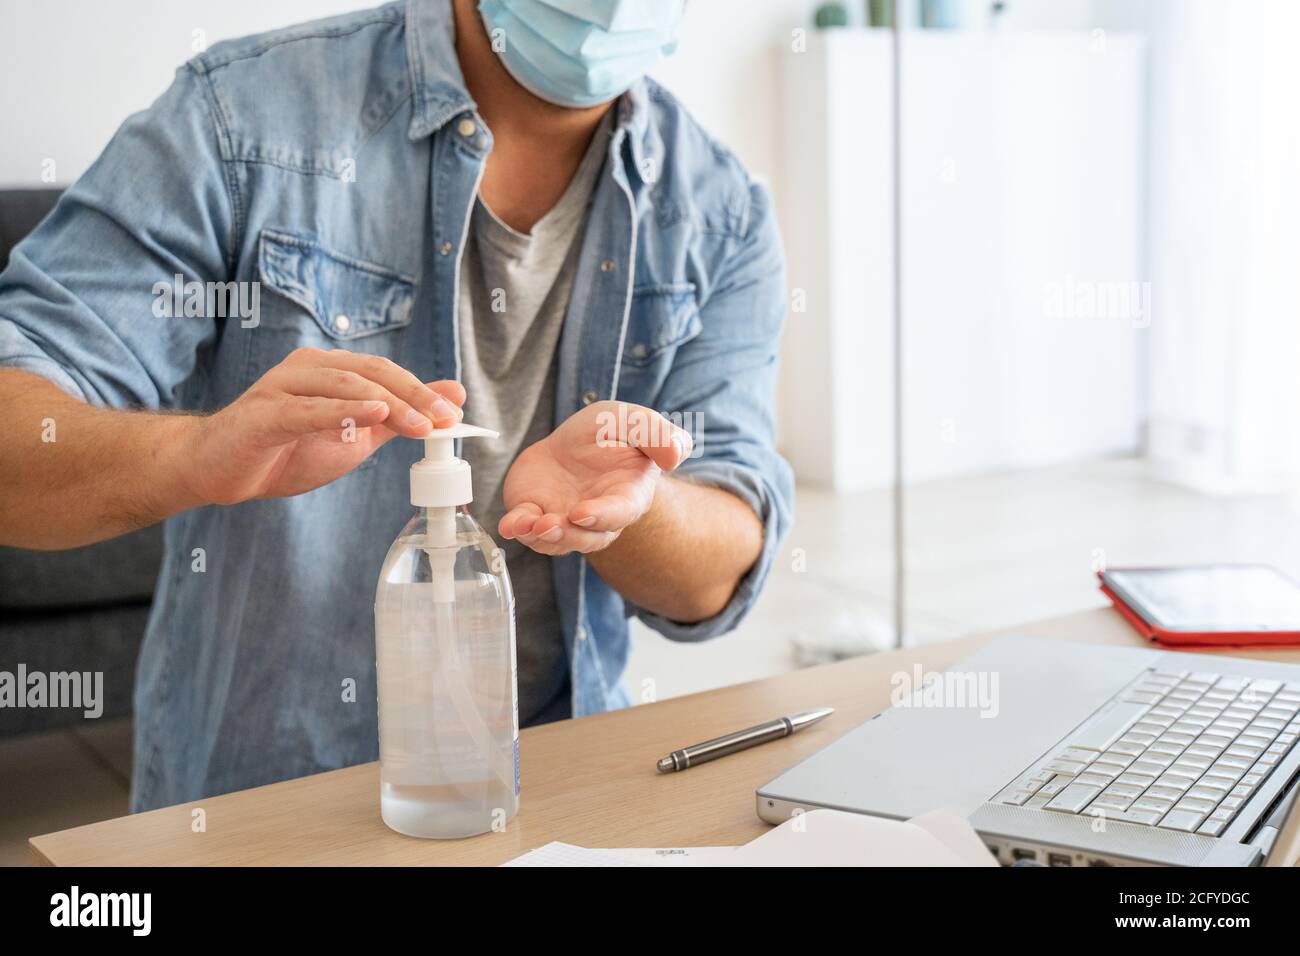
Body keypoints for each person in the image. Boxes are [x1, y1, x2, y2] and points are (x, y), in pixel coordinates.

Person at [0, 0, 792, 810]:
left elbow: (720, 567)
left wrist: (633, 506)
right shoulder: (242, 120)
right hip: (263, 812)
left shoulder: (720, 216)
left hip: (555, 805)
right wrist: (199, 457)